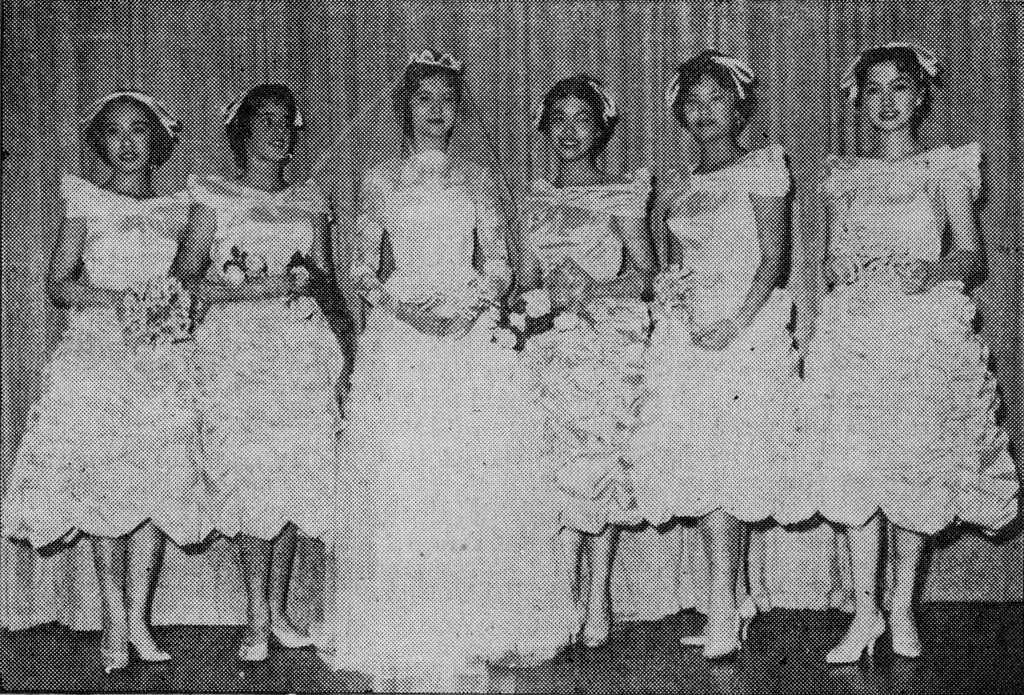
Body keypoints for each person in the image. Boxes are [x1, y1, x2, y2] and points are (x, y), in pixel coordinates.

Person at [800, 43, 1018, 662]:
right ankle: (864, 610)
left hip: (920, 330)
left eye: (899, 87)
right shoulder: (843, 177)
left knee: (913, 465)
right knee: (856, 464)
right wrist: (837, 267)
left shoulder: (944, 168)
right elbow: (831, 260)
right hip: (858, 332)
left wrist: (931, 270)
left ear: (921, 95)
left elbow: (972, 257)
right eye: (874, 90)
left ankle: (900, 606)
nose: (887, 101)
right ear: (859, 102)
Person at [2, 92, 209, 671]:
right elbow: (61, 283)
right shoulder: (86, 203)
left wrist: (174, 304)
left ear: (157, 143)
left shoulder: (179, 208)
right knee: (102, 488)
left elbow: (188, 282)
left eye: (138, 131)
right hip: (97, 356)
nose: (127, 143)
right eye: (115, 132)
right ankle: (113, 621)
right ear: (100, 143)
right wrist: (120, 301)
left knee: (151, 488)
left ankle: (139, 620)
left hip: (158, 360)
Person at [630, 51, 811, 659]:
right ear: (679, 113)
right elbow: (675, 264)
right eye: (693, 102)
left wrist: (731, 325)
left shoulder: (761, 167)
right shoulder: (679, 184)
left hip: (742, 332)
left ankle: (726, 607)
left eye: (717, 100)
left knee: (729, 469)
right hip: (689, 332)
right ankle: (726, 599)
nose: (705, 113)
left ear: (738, 108)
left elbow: (773, 259)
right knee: (703, 470)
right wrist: (675, 298)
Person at [176, 84, 345, 662]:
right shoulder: (212, 195)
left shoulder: (311, 197)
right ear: (241, 130)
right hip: (240, 349)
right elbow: (187, 274)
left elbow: (326, 279)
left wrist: (320, 302)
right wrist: (235, 288)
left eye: (285, 123)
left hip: (300, 348)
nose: (275, 133)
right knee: (249, 475)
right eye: (264, 121)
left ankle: (279, 610)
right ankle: (252, 615)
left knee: (296, 477)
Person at [517, 74, 655, 648]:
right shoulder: (533, 200)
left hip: (605, 343)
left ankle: (597, 596)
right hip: (553, 348)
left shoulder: (622, 193)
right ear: (545, 131)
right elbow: (524, 284)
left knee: (600, 468)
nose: (571, 132)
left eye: (583, 119)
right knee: (553, 472)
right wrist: (533, 306)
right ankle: (560, 598)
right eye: (560, 121)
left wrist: (589, 291)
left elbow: (644, 275)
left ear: (602, 126)